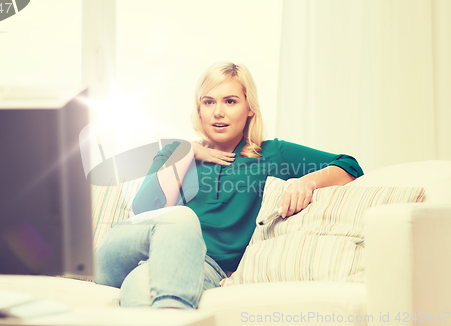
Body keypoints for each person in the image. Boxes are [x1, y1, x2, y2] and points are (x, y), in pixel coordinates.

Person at [94, 62, 363, 309]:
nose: (218, 112)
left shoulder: (271, 154)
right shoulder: (176, 153)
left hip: (202, 265)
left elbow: (349, 165)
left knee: (141, 293)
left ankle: (168, 312)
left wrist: (306, 182)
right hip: (125, 250)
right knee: (180, 218)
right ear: (198, 109)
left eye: (230, 101)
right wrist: (188, 153)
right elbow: (145, 216)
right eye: (208, 102)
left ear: (249, 108)